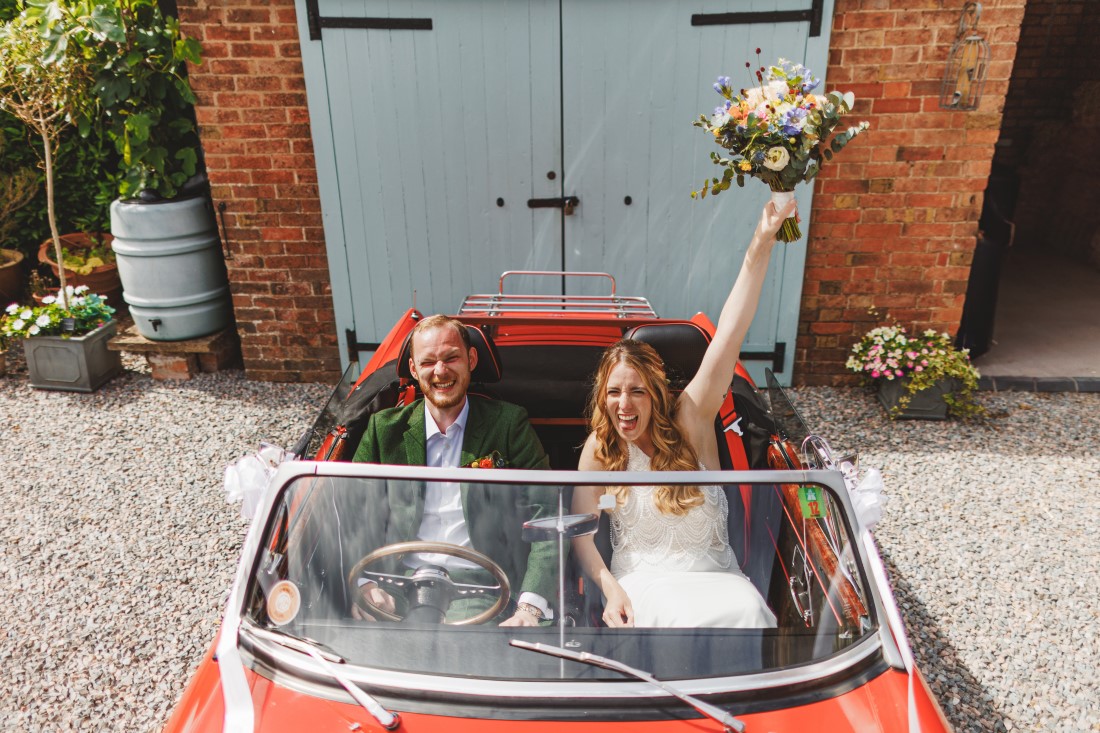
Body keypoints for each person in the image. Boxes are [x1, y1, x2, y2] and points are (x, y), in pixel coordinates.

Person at [572, 200, 796, 628]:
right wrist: (609, 588)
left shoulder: (691, 420)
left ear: (656, 394)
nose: (624, 403)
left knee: (749, 611)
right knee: (676, 619)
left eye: (637, 391)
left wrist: (762, 241)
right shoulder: (600, 450)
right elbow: (582, 535)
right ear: (603, 397)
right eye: (614, 392)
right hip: (642, 586)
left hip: (720, 580)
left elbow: (730, 332)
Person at [352, 314, 556, 626]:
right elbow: (347, 513)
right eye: (429, 361)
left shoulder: (509, 424)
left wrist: (530, 605)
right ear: (413, 369)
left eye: (451, 358)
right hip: (395, 584)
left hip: (485, 584)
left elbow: (549, 515)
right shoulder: (383, 430)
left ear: (471, 359)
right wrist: (363, 584)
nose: (441, 371)